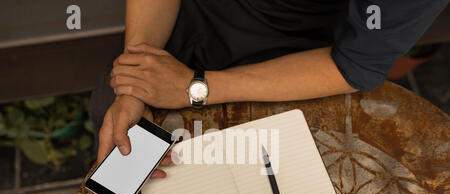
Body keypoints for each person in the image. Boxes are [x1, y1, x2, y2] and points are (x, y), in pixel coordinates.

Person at [89, 0, 448, 178]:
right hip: (184, 22)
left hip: (297, 60)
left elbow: (355, 63)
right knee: (133, 170)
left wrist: (195, 87)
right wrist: (136, 82)